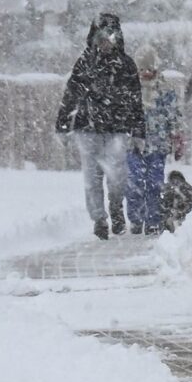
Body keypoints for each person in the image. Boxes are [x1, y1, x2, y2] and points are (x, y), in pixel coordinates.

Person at [54, 13, 146, 239]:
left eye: (109, 38)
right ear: (94, 38)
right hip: (88, 128)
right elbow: (71, 93)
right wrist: (63, 122)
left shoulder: (126, 65)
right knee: (92, 178)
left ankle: (116, 209)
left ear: (117, 38)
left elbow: (136, 99)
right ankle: (99, 219)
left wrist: (138, 130)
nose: (105, 43)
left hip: (117, 129)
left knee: (117, 176)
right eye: (100, 38)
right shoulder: (85, 62)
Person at [125, 48, 184, 235]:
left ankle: (153, 220)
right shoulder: (128, 90)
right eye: (141, 69)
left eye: (149, 69)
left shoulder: (165, 91)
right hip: (132, 145)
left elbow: (173, 116)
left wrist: (177, 137)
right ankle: (136, 218)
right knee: (134, 182)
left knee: (154, 184)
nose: (145, 73)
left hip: (158, 146)